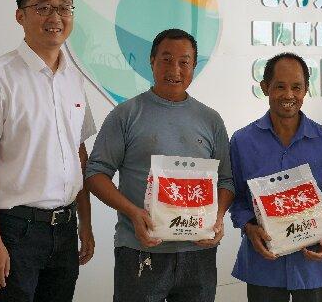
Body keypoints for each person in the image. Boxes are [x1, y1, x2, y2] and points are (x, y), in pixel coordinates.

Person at [0, 0, 97, 301]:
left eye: (64, 8)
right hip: (16, 230)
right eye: (43, 7)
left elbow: (79, 154)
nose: (56, 17)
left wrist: (86, 222)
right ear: (20, 16)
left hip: (65, 228)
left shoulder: (74, 79)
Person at [85, 28, 235, 302]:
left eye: (184, 62)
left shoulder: (211, 120)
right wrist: (133, 212)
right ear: (152, 61)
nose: (174, 70)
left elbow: (226, 180)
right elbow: (96, 173)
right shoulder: (126, 114)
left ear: (194, 66)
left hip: (198, 252)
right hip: (140, 250)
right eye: (166, 59)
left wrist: (218, 216)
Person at [230, 52, 322, 302]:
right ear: (265, 87)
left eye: (296, 87)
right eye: (280, 87)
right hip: (264, 266)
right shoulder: (242, 142)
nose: (288, 95)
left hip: (313, 267)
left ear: (306, 90)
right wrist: (249, 228)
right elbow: (237, 199)